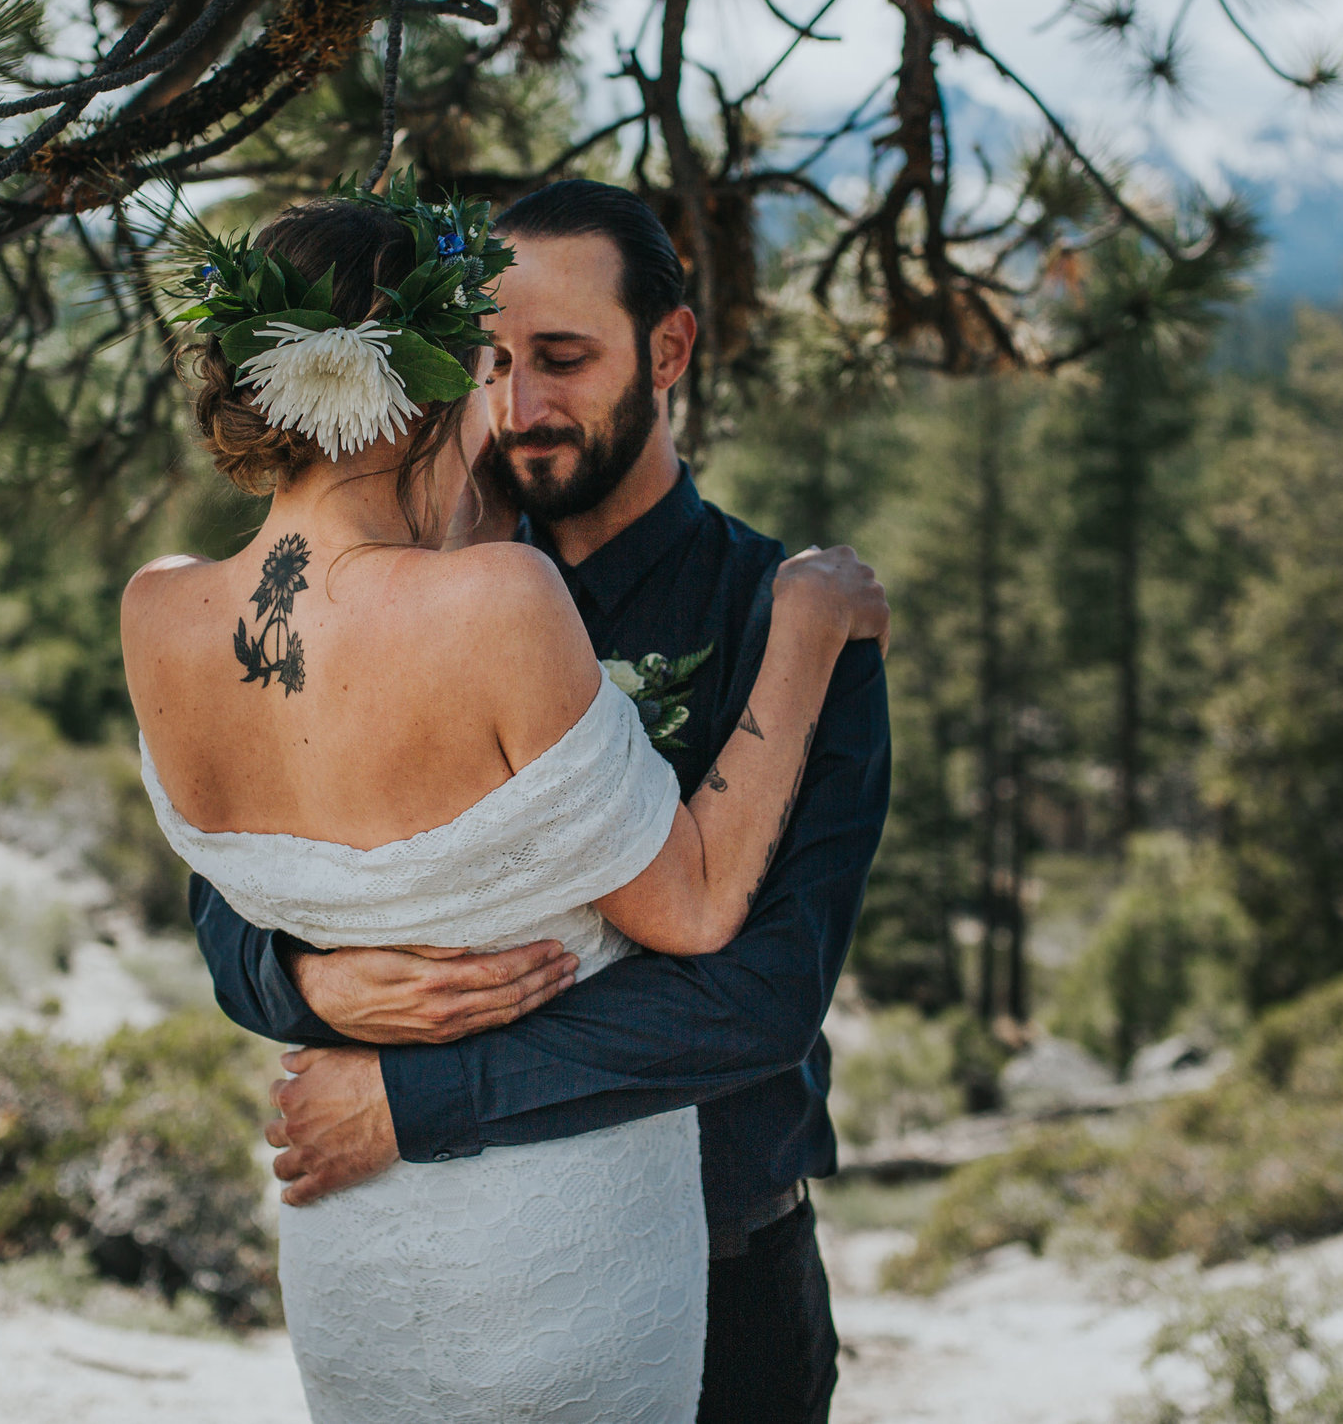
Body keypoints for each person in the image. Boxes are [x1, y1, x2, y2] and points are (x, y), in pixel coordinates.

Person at [123, 181, 889, 1424]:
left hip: (721, 1256)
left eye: (564, 358)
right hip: (415, 1256)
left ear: (670, 349)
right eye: (490, 359)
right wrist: (302, 982)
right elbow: (231, 903)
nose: (518, 404)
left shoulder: (772, 611)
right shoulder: (427, 592)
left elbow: (763, 994)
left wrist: (409, 1095)